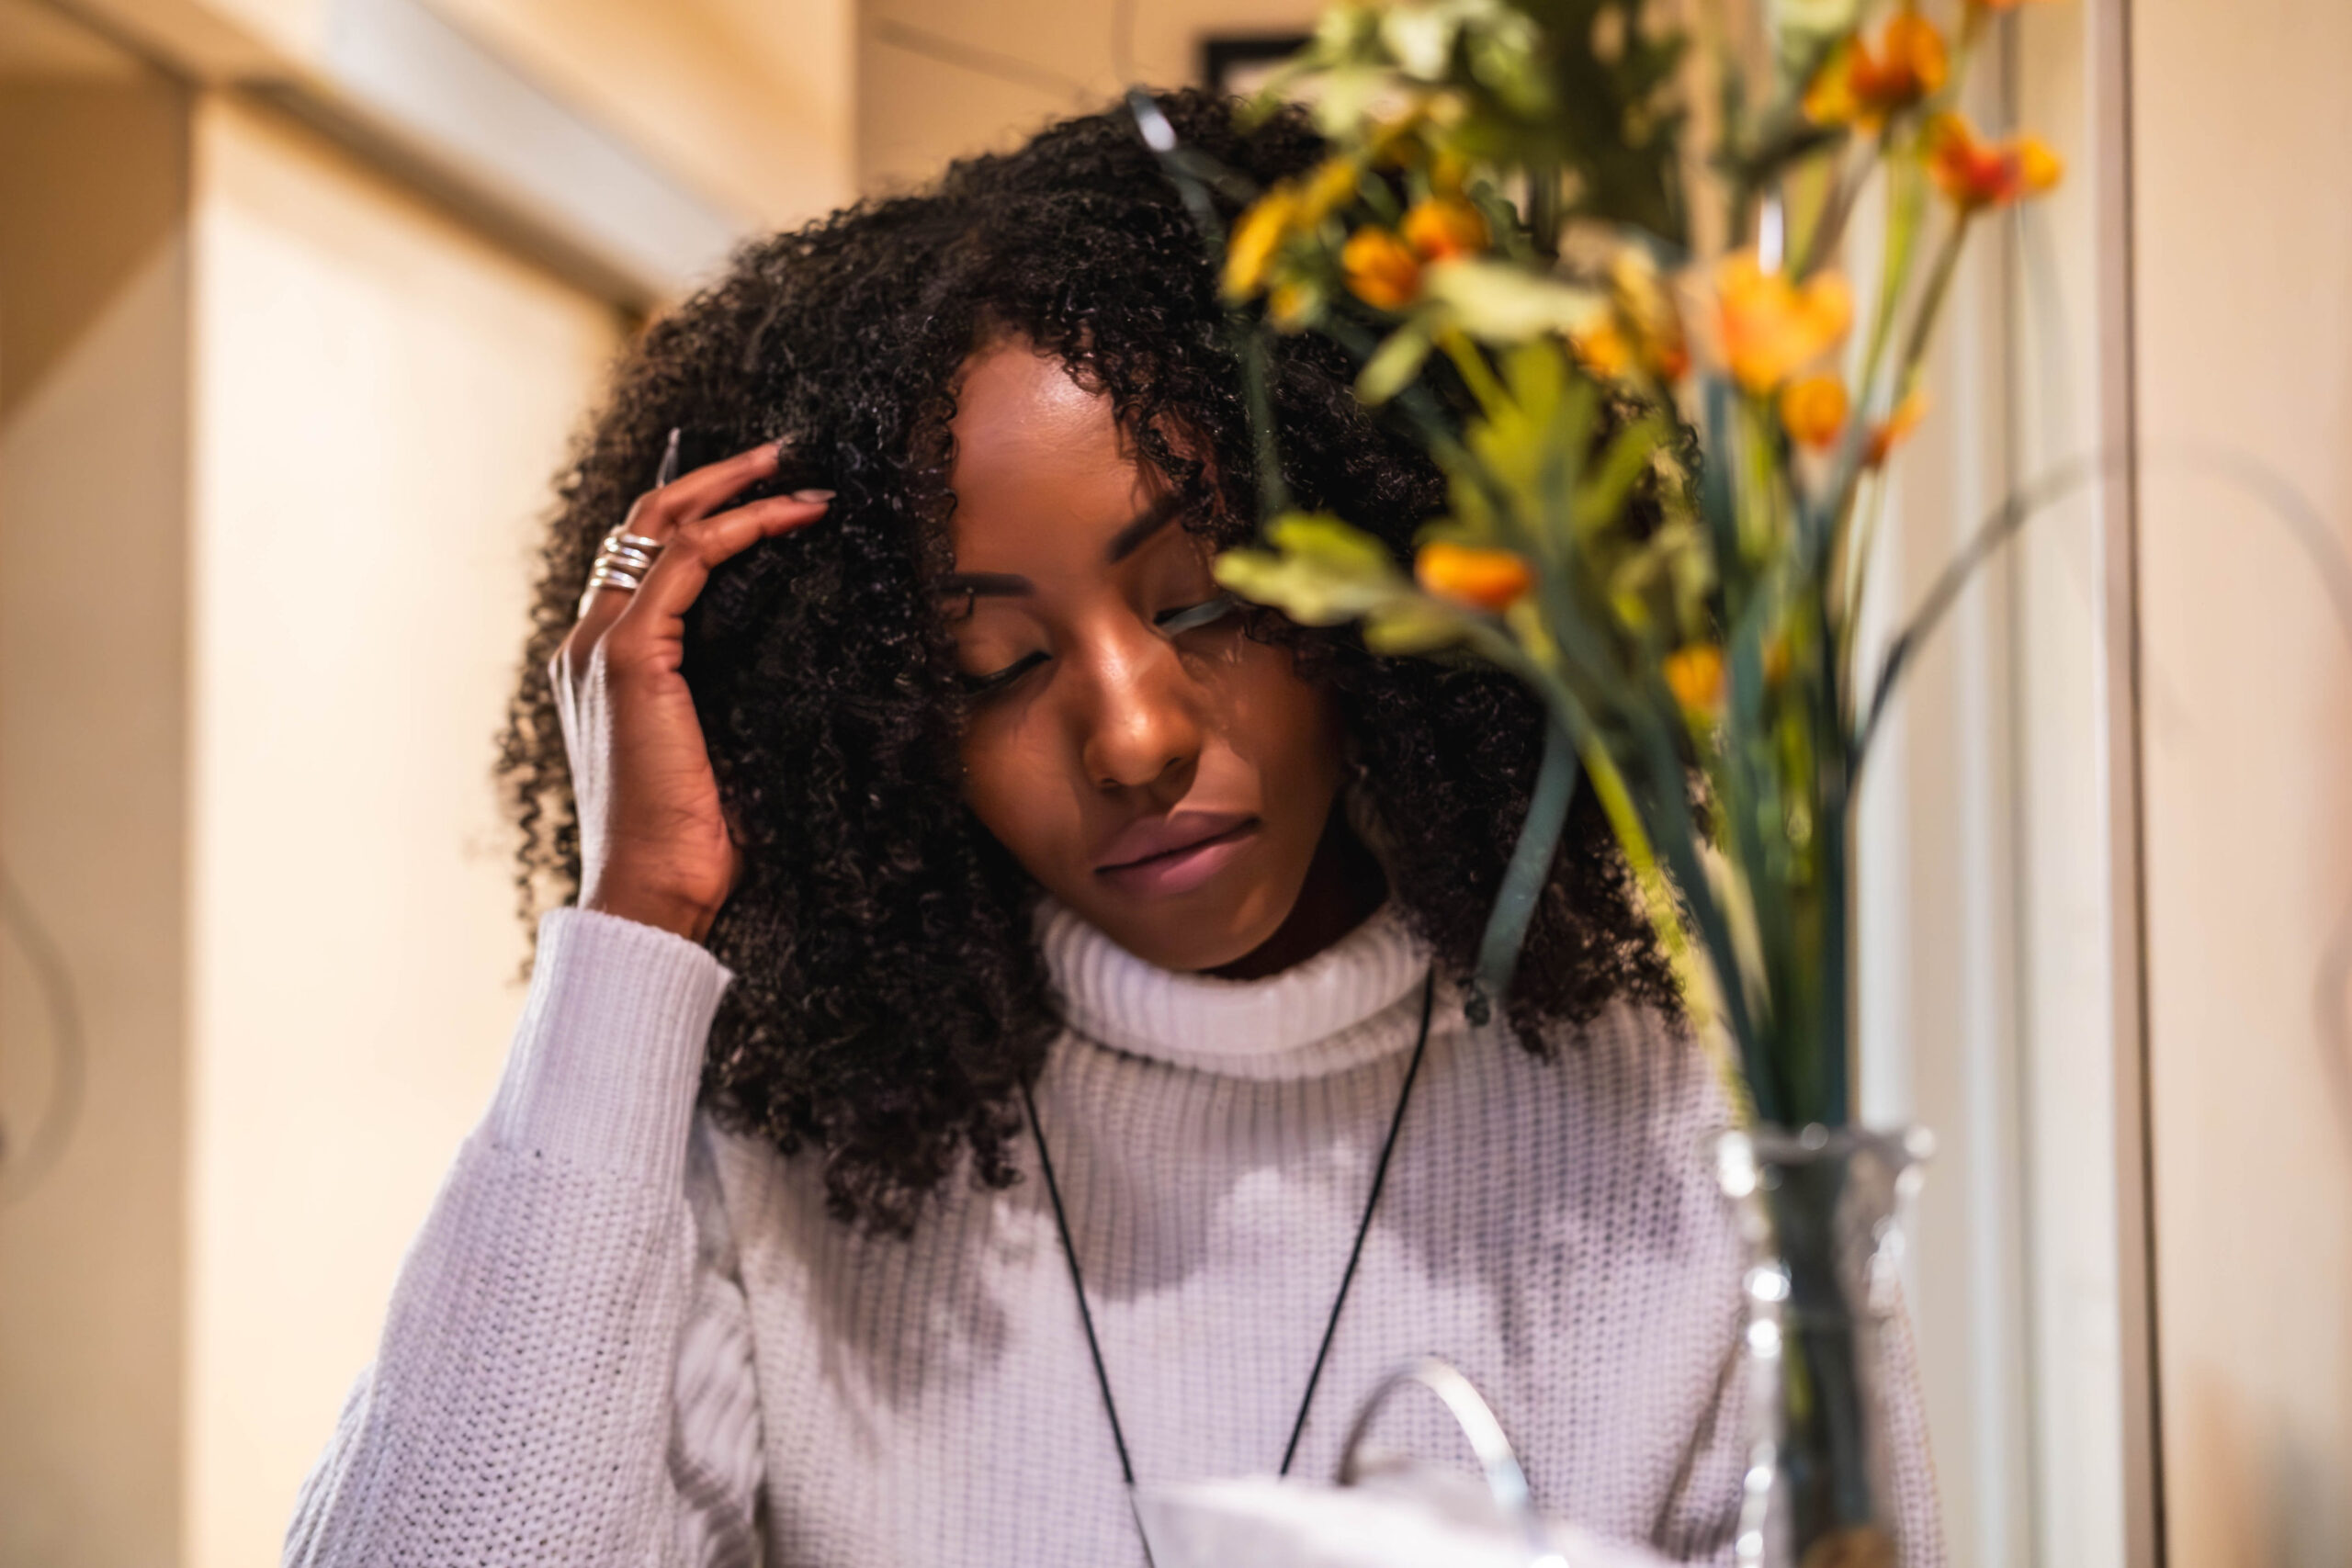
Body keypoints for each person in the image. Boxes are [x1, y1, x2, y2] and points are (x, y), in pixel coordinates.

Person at [283, 91, 1938, 1568]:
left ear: (1383, 574)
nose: (1135, 737)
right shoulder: (786, 1169)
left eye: (1207, 602)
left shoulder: (1662, 1155)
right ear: (881, 718)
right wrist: (633, 927)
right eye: (992, 666)